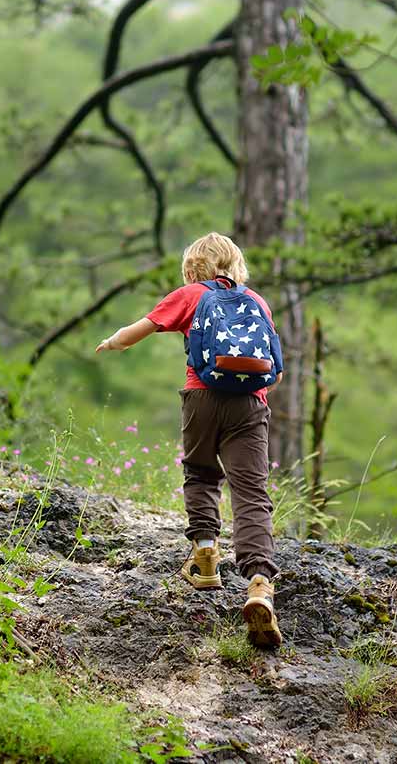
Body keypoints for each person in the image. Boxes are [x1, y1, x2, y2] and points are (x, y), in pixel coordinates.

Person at [95, 232, 283, 649]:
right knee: (251, 492)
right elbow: (277, 371)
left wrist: (112, 342)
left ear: (192, 268)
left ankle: (204, 557)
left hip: (200, 396)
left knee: (200, 473)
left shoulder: (189, 295)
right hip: (250, 405)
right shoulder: (257, 302)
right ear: (235, 266)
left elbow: (135, 332)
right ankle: (258, 584)